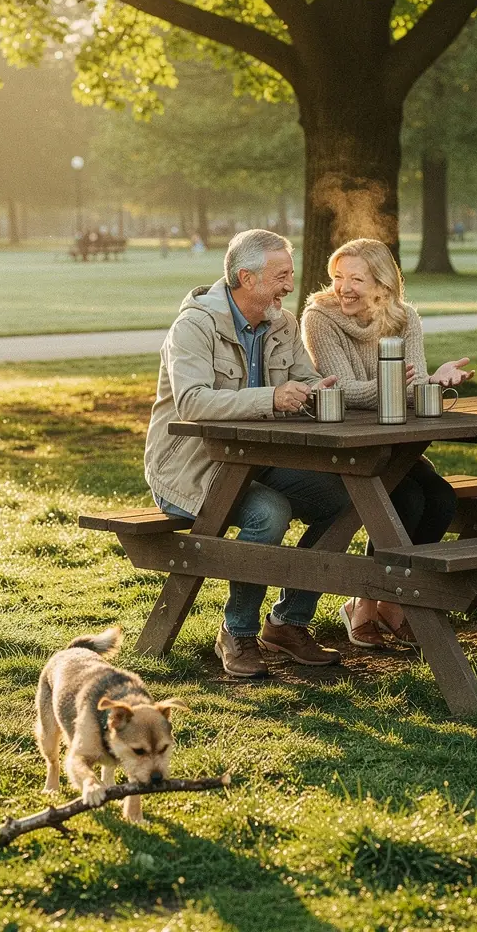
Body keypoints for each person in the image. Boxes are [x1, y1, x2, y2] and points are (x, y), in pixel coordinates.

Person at [144, 229, 348, 680]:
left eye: (290, 274)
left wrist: (317, 391)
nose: (289, 285)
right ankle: (236, 631)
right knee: (269, 512)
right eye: (281, 275)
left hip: (258, 459)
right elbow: (193, 401)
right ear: (246, 278)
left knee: (344, 500)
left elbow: (303, 380)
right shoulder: (194, 326)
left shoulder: (283, 323)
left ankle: (288, 623)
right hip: (189, 466)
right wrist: (271, 398)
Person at [302, 238, 473, 649]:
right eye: (338, 276)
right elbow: (341, 390)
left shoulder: (404, 317)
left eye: (356, 279)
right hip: (347, 445)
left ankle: (387, 603)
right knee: (406, 501)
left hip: (392, 444)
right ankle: (368, 604)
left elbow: (412, 390)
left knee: (441, 501)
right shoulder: (319, 318)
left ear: (382, 285)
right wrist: (396, 383)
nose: (343, 287)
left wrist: (436, 380)